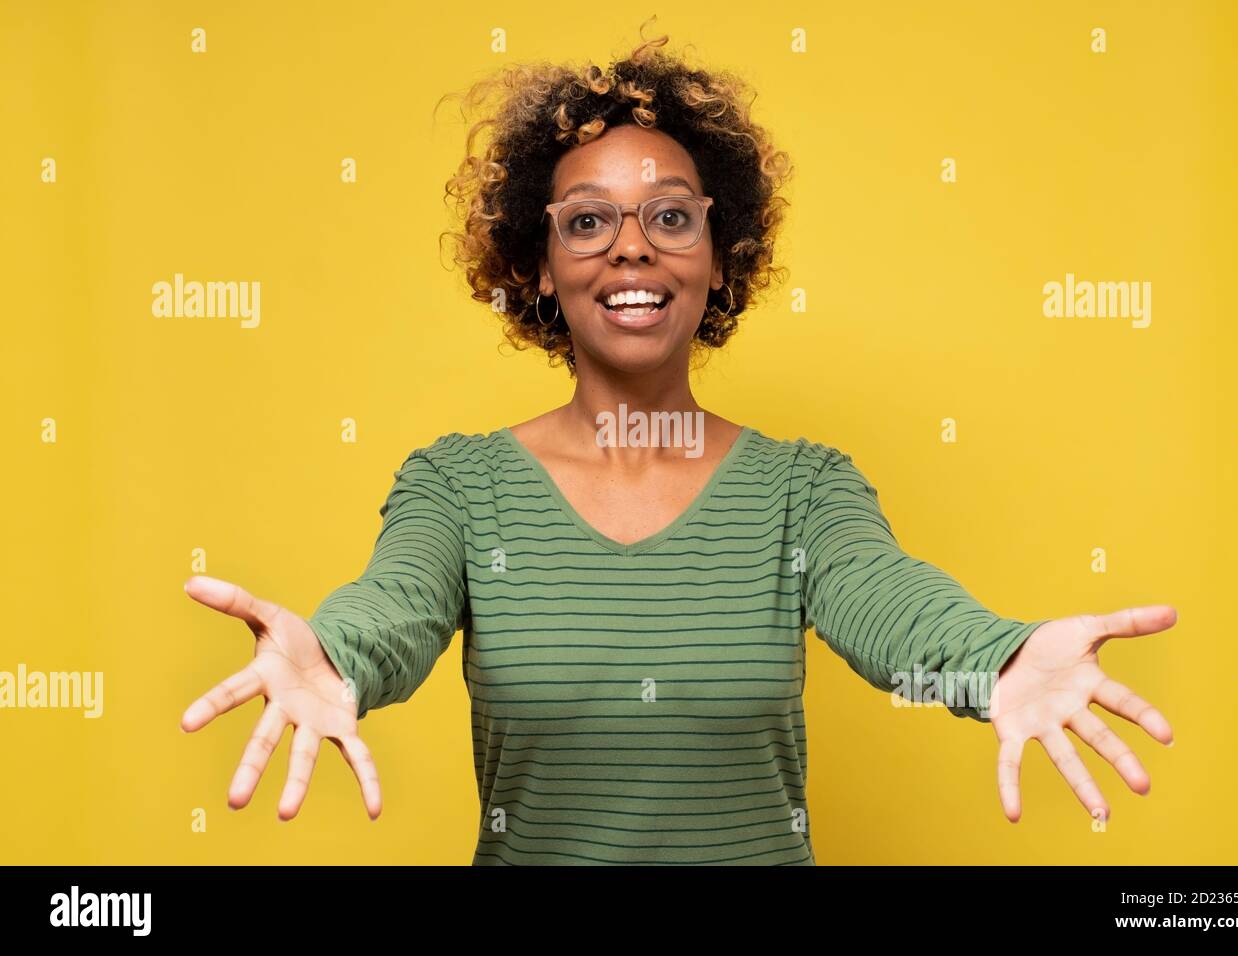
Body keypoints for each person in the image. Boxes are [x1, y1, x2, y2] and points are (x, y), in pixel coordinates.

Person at [181, 21, 1176, 865]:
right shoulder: (458, 484)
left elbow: (892, 604)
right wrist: (334, 658)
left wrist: (998, 662)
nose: (631, 246)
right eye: (588, 222)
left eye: (669, 216)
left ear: (719, 256)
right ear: (538, 266)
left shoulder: (802, 489)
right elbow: (394, 605)